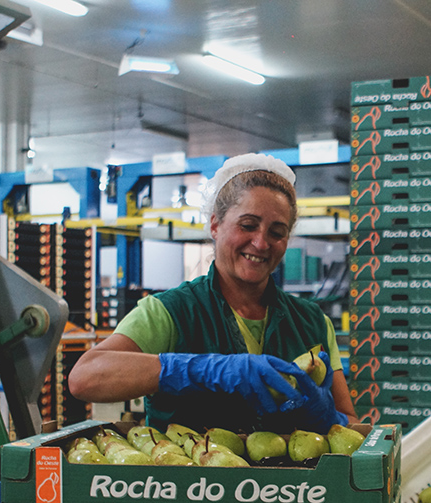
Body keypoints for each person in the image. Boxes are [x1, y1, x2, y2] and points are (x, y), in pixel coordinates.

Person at [68, 153, 356, 435]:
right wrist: (198, 370)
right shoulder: (171, 312)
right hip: (191, 482)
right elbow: (84, 377)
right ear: (215, 224)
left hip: (296, 483)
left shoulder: (311, 322)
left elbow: (352, 423)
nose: (261, 242)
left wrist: (329, 417)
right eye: (248, 225)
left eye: (277, 232)